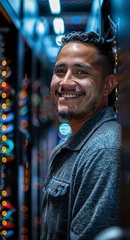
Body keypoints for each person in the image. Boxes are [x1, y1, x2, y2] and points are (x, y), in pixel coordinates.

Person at [41, 31, 122, 240]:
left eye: (81, 73)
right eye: (60, 71)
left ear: (108, 85)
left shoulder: (104, 151)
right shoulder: (68, 147)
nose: (65, 82)